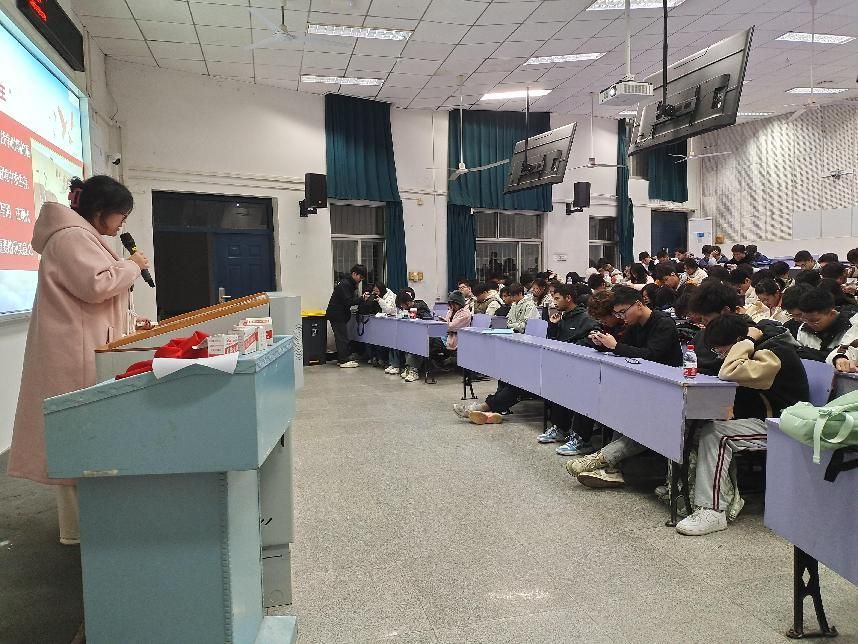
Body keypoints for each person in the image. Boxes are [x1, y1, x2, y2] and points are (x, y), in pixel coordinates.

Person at [8, 176, 149, 546]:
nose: (122, 224)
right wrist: (133, 266)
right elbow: (95, 286)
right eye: (121, 216)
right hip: (73, 353)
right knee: (78, 442)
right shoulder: (70, 237)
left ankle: (90, 529)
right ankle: (80, 535)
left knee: (85, 440)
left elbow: (96, 296)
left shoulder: (82, 236)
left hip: (84, 346)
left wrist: (131, 320)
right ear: (100, 211)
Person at [675, 314, 808, 536]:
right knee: (694, 428)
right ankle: (688, 491)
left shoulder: (773, 354)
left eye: (722, 350)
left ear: (739, 340)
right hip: (762, 418)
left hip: (783, 425)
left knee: (716, 434)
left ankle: (713, 510)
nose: (720, 356)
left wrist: (747, 340)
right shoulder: (753, 350)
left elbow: (727, 372)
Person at [565, 286, 683, 488]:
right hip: (642, 387)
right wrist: (601, 343)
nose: (621, 318)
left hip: (667, 391)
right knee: (619, 412)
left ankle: (602, 460)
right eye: (618, 314)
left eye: (622, 312)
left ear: (638, 304)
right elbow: (625, 349)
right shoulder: (635, 325)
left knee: (638, 421)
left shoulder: (664, 323)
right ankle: (610, 464)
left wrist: (615, 346)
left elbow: (651, 355)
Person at [455, 285, 599, 426]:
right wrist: (553, 325)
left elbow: (585, 344)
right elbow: (552, 341)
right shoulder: (562, 317)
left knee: (522, 382)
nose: (554, 302)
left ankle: (485, 407)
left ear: (568, 298)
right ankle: (491, 408)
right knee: (513, 374)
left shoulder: (585, 319)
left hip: (568, 368)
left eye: (557, 298)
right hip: (554, 362)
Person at [795, 288, 858, 370]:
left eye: (815, 321)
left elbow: (850, 349)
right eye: (805, 319)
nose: (809, 324)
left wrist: (839, 357)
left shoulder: (852, 325)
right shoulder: (804, 328)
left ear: (832, 313)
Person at [326, 263, 367, 368]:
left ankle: (342, 359)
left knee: (341, 337)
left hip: (338, 314)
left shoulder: (348, 283)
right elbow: (348, 301)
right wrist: (361, 299)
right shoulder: (345, 284)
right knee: (342, 337)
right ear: (354, 274)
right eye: (360, 277)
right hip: (337, 314)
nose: (361, 280)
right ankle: (343, 361)